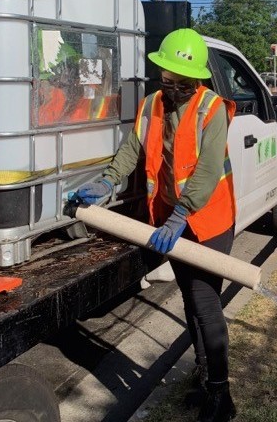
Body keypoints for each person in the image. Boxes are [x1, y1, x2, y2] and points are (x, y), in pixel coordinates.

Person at [69, 28, 237, 422]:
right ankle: (203, 376)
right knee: (191, 301)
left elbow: (209, 169)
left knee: (206, 303)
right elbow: (132, 150)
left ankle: (221, 395)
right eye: (168, 82)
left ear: (197, 79)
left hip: (208, 222)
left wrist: (182, 214)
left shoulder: (211, 110)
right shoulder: (150, 106)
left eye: (183, 85)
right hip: (170, 221)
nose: (175, 91)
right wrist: (108, 180)